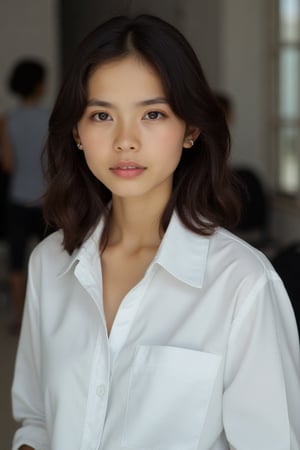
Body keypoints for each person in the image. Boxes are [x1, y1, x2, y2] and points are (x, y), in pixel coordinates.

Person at [11, 15, 300, 450]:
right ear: (76, 131)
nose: (126, 140)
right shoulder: (48, 263)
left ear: (190, 130)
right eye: (103, 114)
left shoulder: (243, 285)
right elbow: (35, 419)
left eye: (153, 113)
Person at [0, 59, 49, 334]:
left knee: (17, 261)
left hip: (18, 198)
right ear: (41, 86)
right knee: (50, 260)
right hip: (46, 199)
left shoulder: (7, 120)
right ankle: (45, 318)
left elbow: (7, 164)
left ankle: (20, 320)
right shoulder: (51, 118)